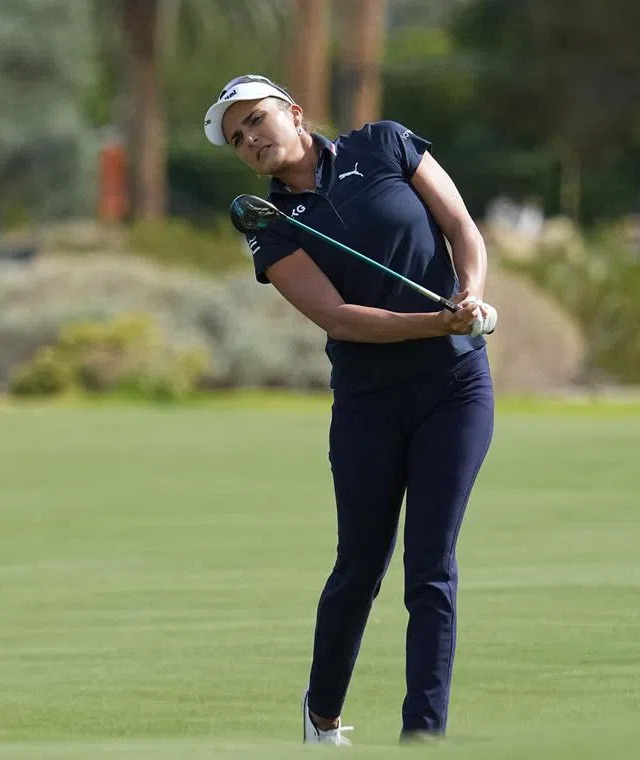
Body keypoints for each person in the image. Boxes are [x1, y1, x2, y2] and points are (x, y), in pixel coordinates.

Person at [203, 74, 497, 745]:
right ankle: (322, 719)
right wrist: (434, 323)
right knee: (360, 565)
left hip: (454, 389)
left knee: (431, 565)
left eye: (255, 120)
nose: (249, 139)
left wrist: (471, 294)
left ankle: (423, 736)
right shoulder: (267, 222)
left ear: (294, 113)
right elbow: (336, 317)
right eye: (236, 137)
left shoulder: (385, 145)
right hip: (368, 403)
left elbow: (458, 225)